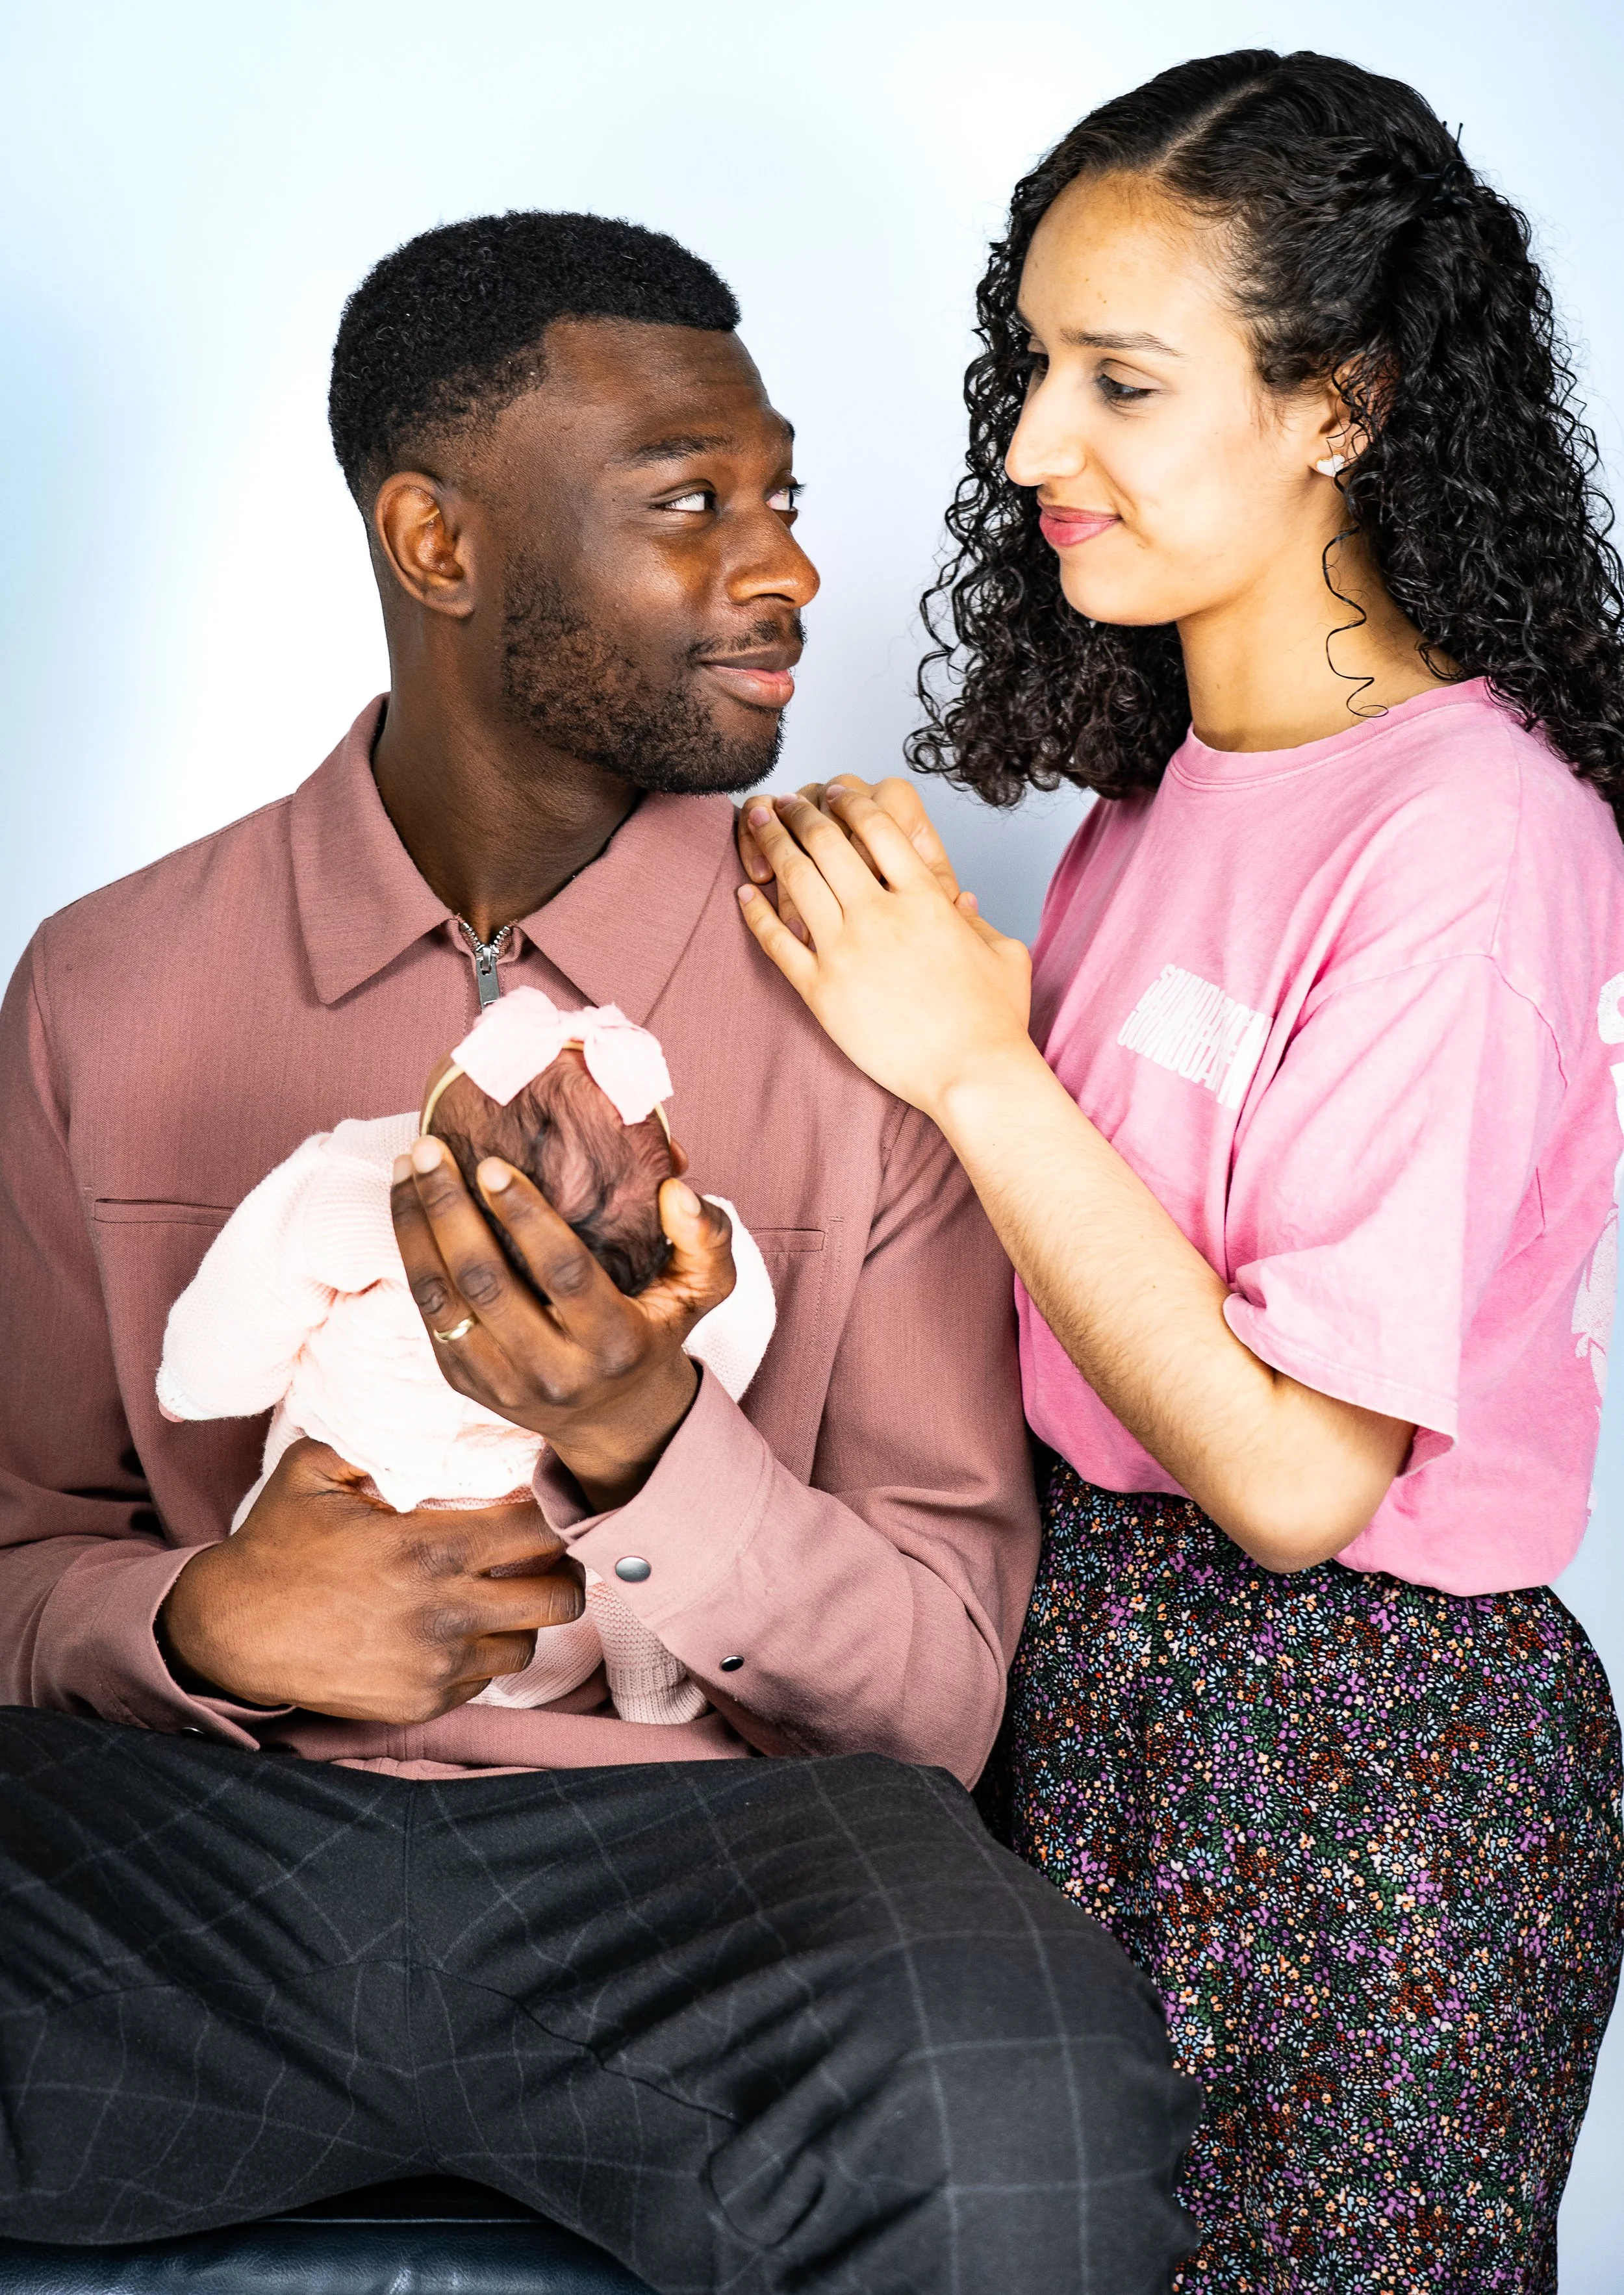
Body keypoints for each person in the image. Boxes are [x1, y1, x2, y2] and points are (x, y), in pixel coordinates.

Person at [0, 212, 1201, 2289]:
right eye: (687, 506)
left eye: (781, 499)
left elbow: (937, 1680)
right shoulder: (104, 985)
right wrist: (198, 1625)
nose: (788, 571)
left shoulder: (872, 994)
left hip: (714, 1877)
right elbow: (15, 1544)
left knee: (1024, 2085)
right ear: (436, 544)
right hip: (191, 1858)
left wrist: (661, 1446)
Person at [736, 49, 1624, 2294]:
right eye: (1034, 366)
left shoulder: (1483, 843)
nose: (1035, 445)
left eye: (1122, 382)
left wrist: (972, 1058)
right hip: (1095, 1684)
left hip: (1369, 1773)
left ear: (1344, 403)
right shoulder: (1159, 797)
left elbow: (1307, 1476)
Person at [155, 987, 780, 1723]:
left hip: (349, 1516)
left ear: (424, 1149)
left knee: (299, 1476)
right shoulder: (703, 1252)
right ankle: (656, 1706)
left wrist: (197, 1384)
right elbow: (726, 1356)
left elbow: (248, 1295)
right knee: (627, 1553)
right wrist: (640, 1423)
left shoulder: (353, 1184)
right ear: (673, 1165)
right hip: (543, 1587)